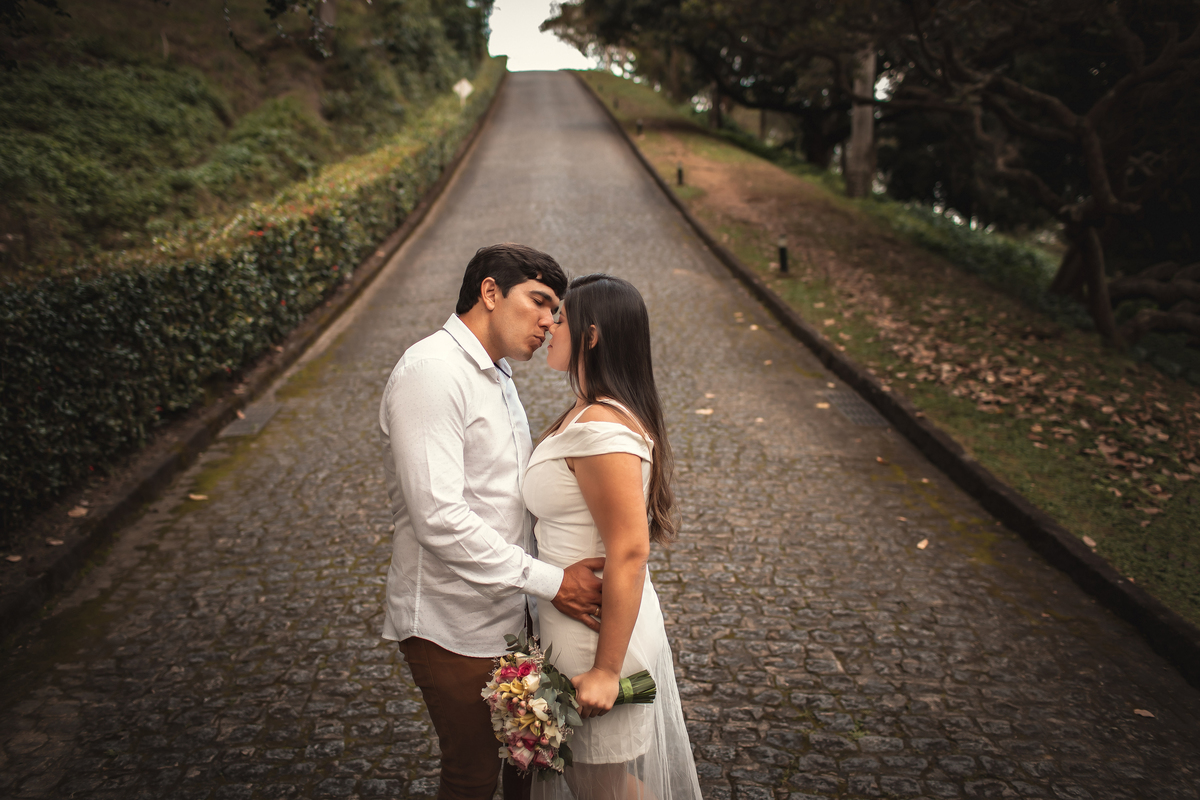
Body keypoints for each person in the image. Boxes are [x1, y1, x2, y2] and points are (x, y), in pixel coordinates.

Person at [379, 243, 607, 800]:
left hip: (508, 613)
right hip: (450, 620)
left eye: (555, 310)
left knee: (524, 765)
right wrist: (554, 584)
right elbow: (439, 517)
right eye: (539, 301)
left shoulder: (495, 373)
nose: (550, 322)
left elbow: (503, 497)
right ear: (489, 291)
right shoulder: (432, 371)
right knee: (472, 773)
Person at [524, 274, 702, 800]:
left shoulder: (602, 426)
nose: (550, 326)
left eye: (561, 317)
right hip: (573, 624)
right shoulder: (588, 409)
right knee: (599, 787)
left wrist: (604, 669)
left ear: (592, 335)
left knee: (602, 789)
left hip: (597, 639)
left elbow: (628, 550)